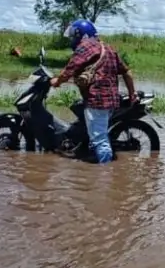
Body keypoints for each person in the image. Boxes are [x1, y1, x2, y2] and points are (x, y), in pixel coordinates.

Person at [49, 19, 137, 164]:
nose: (72, 39)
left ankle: (104, 174)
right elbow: (127, 72)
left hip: (97, 101)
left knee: (99, 139)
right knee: (97, 133)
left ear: (81, 35)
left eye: (74, 36)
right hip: (112, 101)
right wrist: (132, 94)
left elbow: (70, 69)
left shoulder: (86, 47)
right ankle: (90, 154)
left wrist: (56, 81)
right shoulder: (108, 48)